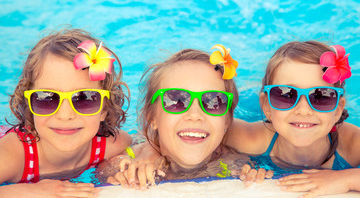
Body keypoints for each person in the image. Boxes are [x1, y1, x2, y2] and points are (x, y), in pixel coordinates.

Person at [101, 46, 273, 190]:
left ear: (227, 120)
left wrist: (255, 176)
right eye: (176, 100)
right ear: (151, 117)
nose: (195, 115)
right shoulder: (126, 161)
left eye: (214, 101)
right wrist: (119, 176)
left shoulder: (234, 162)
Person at [0, 29, 132, 197]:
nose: (65, 115)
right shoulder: (13, 154)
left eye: (84, 98)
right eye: (46, 98)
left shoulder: (111, 145)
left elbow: (152, 144)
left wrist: (118, 164)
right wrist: (31, 191)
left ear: (105, 109)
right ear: (29, 104)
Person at [225, 41, 360, 197]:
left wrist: (346, 179)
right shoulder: (249, 140)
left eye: (321, 96)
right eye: (286, 94)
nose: (303, 110)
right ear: (266, 106)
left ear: (338, 109)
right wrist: (236, 162)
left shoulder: (351, 144)